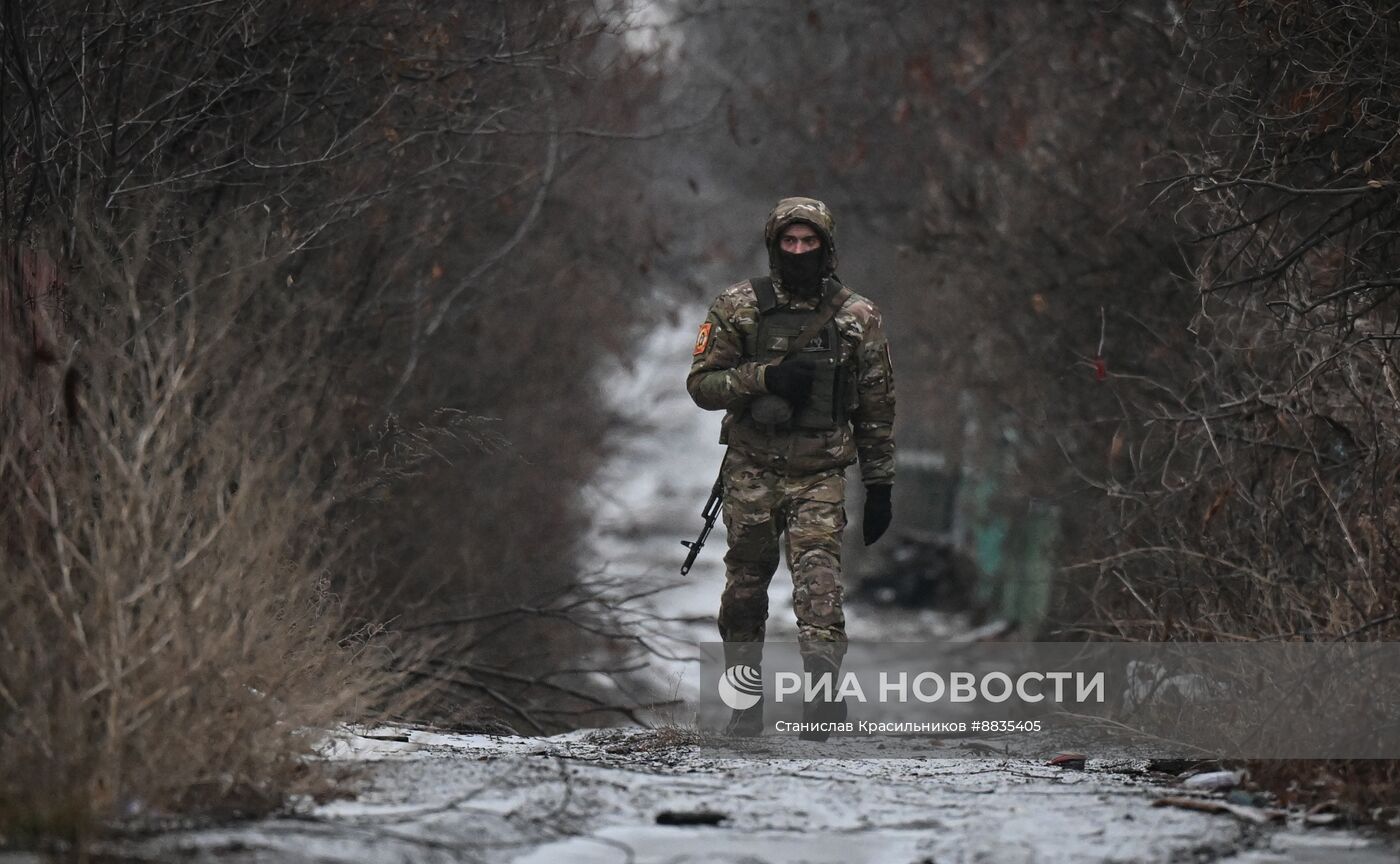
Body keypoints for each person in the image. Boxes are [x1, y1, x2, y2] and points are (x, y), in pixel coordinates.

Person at [687, 196, 896, 740]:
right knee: (745, 591)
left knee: (819, 584)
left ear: (826, 246)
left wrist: (880, 484)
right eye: (790, 241)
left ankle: (823, 699)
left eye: (809, 242)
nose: (799, 251)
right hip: (752, 468)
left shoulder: (858, 316)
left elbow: (875, 406)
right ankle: (744, 703)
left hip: (821, 470)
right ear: (774, 244)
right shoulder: (737, 307)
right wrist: (763, 378)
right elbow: (702, 386)